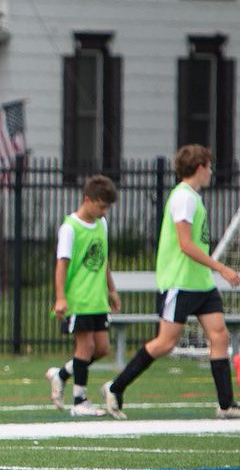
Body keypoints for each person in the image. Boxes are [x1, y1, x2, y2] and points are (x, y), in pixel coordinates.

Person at [103, 145, 240, 420]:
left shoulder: (193, 198)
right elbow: (186, 244)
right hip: (180, 282)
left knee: (219, 336)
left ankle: (226, 404)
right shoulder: (184, 198)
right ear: (199, 167)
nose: (211, 171)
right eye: (209, 166)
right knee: (165, 343)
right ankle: (115, 388)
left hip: (200, 283)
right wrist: (222, 269)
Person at [46, 175, 120, 416]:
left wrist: (111, 289)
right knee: (85, 345)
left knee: (101, 348)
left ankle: (62, 374)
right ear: (87, 200)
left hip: (97, 297)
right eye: (100, 206)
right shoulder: (70, 228)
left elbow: (104, 259)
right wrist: (60, 297)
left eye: (106, 207)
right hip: (79, 298)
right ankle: (79, 402)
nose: (103, 211)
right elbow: (62, 265)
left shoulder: (102, 224)